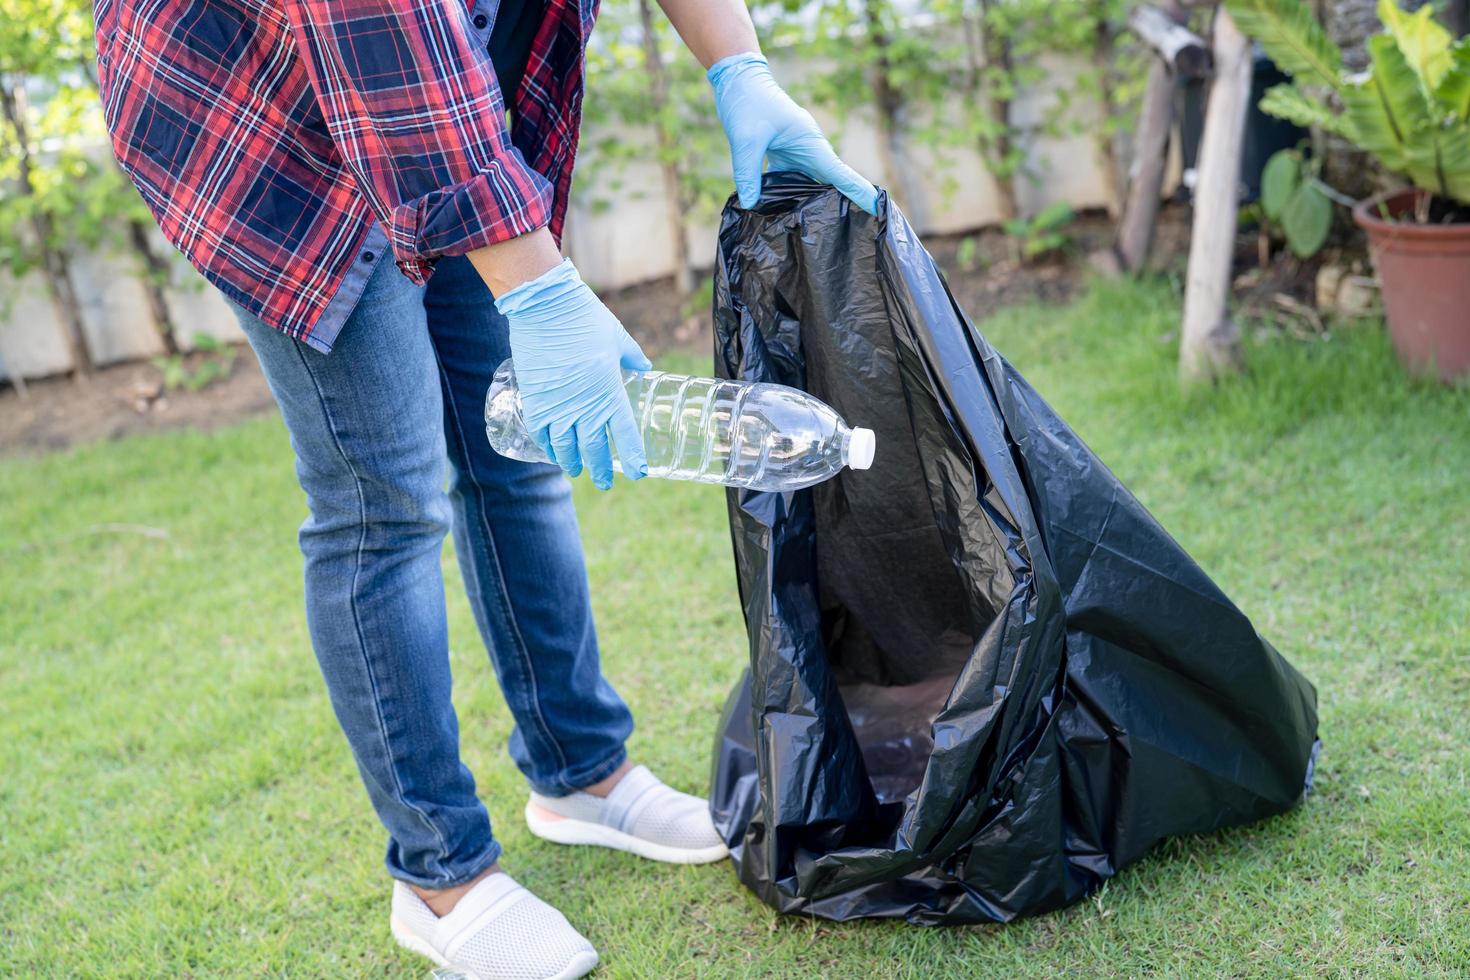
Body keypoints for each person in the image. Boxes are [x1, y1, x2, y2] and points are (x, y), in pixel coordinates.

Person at [94, 0, 875, 975]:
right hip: (271, 116)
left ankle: (580, 769)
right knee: (381, 501)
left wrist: (737, 65)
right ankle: (439, 874)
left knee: (514, 446)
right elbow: (380, 34)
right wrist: (537, 286)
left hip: (449, 99)